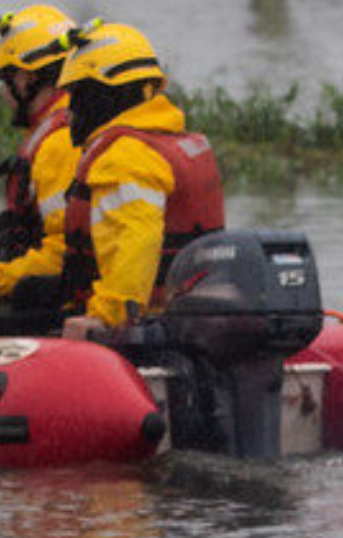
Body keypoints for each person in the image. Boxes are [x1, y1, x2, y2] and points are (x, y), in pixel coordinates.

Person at [50, 21, 225, 341]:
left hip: (138, 331)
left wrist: (106, 316)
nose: (69, 111)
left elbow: (136, 244)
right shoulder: (170, 141)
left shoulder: (126, 156)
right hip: (181, 320)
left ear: (102, 96)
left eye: (77, 95)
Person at [0, 6, 78, 309]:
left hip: (52, 304)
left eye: (6, 81)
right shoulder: (59, 130)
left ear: (27, 78)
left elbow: (62, 253)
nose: (4, 94)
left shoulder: (59, 144)